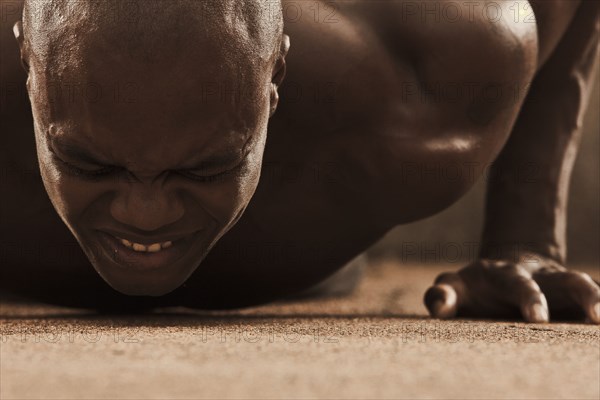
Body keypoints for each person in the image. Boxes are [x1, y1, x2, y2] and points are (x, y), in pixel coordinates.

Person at [0, 0, 598, 322]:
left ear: (275, 75)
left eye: (208, 167)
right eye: (85, 161)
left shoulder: (422, 80)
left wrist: (526, 237)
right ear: (26, 55)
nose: (146, 214)